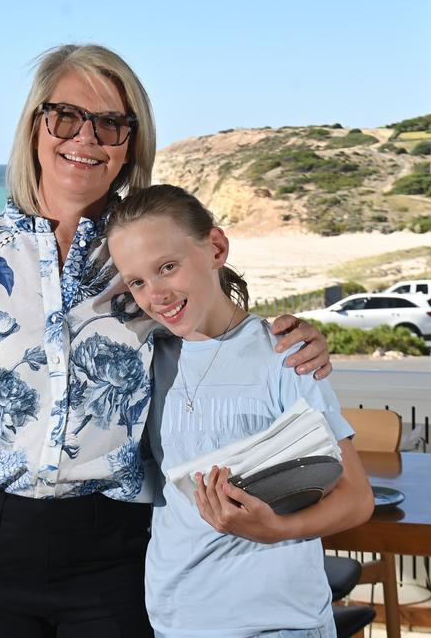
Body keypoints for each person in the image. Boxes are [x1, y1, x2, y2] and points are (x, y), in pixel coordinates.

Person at [0, 44, 333, 637]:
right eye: (66, 116)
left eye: (110, 124)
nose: (86, 138)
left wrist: (298, 340)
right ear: (35, 127)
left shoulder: (147, 248)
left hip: (119, 543)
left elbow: (220, 327)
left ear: (131, 144)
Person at [108, 184, 373, 637]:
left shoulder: (286, 355)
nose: (156, 294)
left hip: (276, 622)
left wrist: (275, 530)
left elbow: (356, 498)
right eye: (137, 281)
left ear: (215, 248)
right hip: (176, 619)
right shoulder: (146, 359)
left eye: (167, 267)